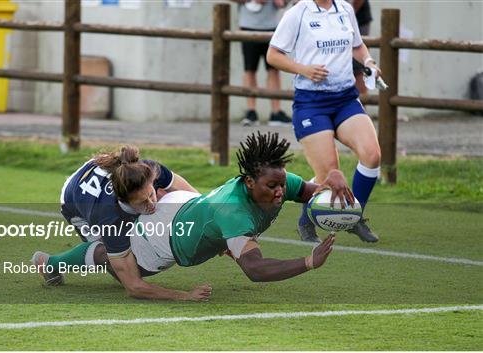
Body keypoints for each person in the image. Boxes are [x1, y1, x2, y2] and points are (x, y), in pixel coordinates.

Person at [129, 132, 353, 284]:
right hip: (159, 243)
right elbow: (255, 269)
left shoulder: (280, 182)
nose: (281, 191)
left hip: (182, 205)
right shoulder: (233, 212)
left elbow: (309, 193)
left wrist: (330, 182)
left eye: (282, 184)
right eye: (273, 186)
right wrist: (309, 262)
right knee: (121, 266)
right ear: (249, 182)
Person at [31, 145, 212, 301]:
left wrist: (212, 221)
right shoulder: (110, 218)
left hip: (101, 173)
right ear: (123, 201)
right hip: (74, 198)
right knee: (110, 256)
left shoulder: (150, 170)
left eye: (150, 194)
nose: (151, 205)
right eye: (142, 202)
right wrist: (185, 296)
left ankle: (120, 263)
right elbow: (134, 288)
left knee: (164, 197)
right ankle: (49, 263)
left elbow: (197, 199)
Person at [266, 0, 382, 243]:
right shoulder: (298, 13)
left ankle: (354, 216)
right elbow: (273, 55)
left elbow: (358, 46)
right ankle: (305, 221)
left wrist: (369, 62)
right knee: (329, 174)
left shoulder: (345, 9)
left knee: (372, 155)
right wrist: (304, 69)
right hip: (311, 103)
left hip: (346, 99)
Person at [232, 0, 292, 126]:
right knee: (249, 70)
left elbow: (284, 3)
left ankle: (276, 113)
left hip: (272, 28)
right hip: (248, 27)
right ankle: (251, 112)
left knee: (274, 70)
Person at [350, 0, 373, 96]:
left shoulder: (347, 10)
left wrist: (349, 15)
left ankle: (362, 103)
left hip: (356, 17)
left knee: (358, 67)